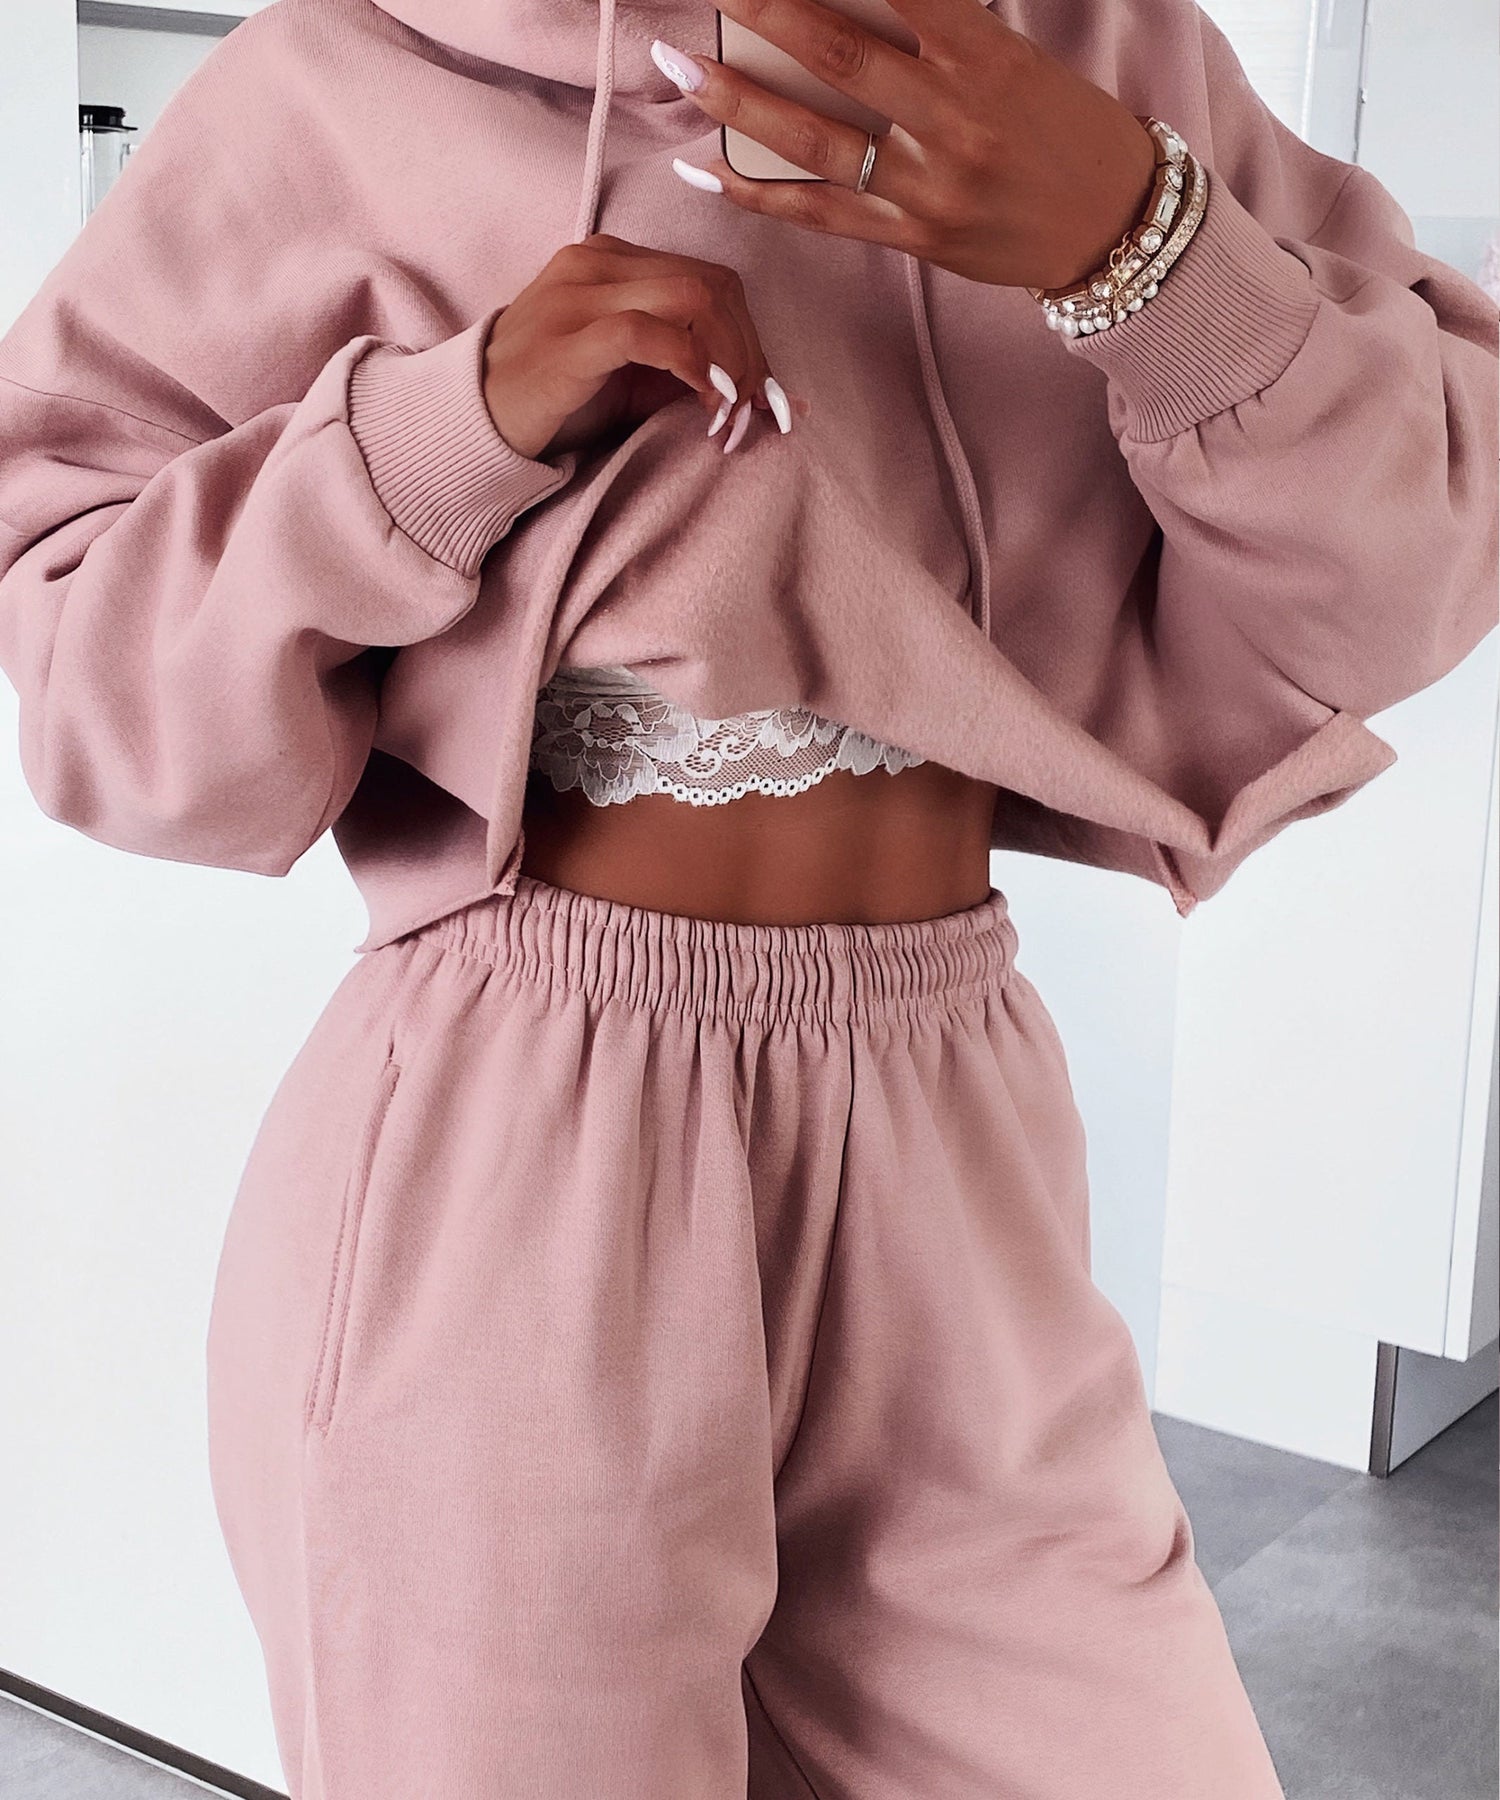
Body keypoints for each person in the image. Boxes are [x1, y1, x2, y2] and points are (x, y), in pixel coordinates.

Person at [0, 0, 1494, 1795]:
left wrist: (1144, 243)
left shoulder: (1088, 42)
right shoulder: (337, 77)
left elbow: (1419, 563)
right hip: (512, 1169)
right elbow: (95, 703)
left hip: (956, 1133)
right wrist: (442, 430)